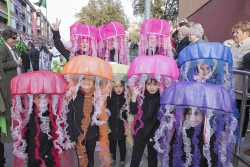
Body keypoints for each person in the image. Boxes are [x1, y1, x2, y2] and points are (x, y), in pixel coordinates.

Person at [0, 29, 21, 167]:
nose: (15, 39)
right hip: (8, 86)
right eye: (13, 38)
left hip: (16, 85)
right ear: (6, 38)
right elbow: (1, 65)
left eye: (15, 37)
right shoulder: (2, 49)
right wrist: (15, 63)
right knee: (9, 109)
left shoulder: (13, 50)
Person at [67, 77, 99, 167]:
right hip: (78, 134)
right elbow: (69, 117)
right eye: (84, 78)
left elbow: (99, 117)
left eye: (90, 79)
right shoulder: (73, 95)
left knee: (90, 158)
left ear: (94, 81)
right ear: (79, 80)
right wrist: (71, 137)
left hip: (92, 134)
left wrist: (99, 137)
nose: (87, 81)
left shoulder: (96, 96)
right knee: (81, 159)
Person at [129, 79, 160, 167]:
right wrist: (134, 97)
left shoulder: (161, 98)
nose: (152, 87)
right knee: (135, 158)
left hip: (154, 133)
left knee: (152, 159)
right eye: (149, 84)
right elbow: (133, 111)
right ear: (145, 85)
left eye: (155, 84)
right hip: (140, 132)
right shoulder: (141, 97)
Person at [230, 21, 250, 142]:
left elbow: (240, 63)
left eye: (238, 32)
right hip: (233, 84)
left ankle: (240, 137)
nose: (234, 34)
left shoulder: (248, 45)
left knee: (242, 111)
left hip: (241, 85)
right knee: (234, 110)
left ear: (247, 33)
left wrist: (224, 61)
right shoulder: (234, 45)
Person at [107, 80, 127, 167]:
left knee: (122, 145)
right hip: (112, 126)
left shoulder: (126, 97)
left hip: (123, 127)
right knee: (112, 146)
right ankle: (113, 159)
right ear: (112, 87)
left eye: (121, 86)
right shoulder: (110, 97)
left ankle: (122, 160)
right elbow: (105, 108)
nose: (119, 88)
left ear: (124, 87)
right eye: (116, 86)